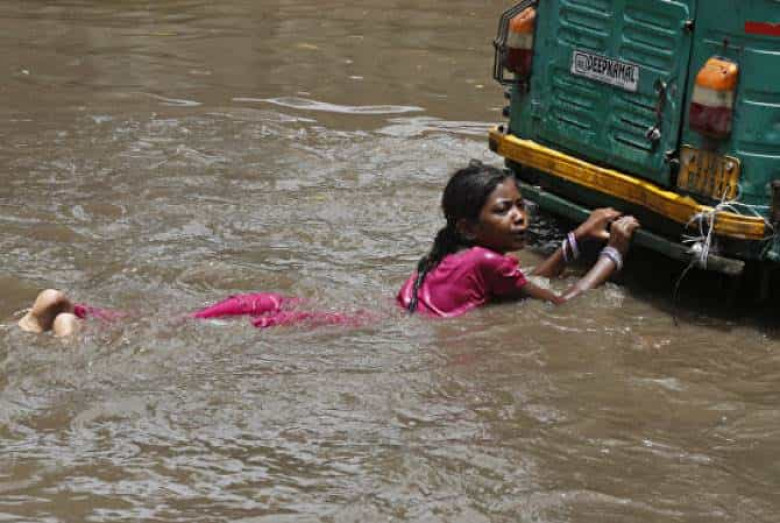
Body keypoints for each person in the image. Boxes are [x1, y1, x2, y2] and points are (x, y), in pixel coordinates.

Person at [397, 160, 640, 316]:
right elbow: (562, 302)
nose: (520, 217)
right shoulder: (485, 261)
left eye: (521, 205)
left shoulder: (452, 253)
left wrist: (579, 235)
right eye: (503, 210)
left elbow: (528, 284)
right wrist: (613, 253)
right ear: (468, 228)